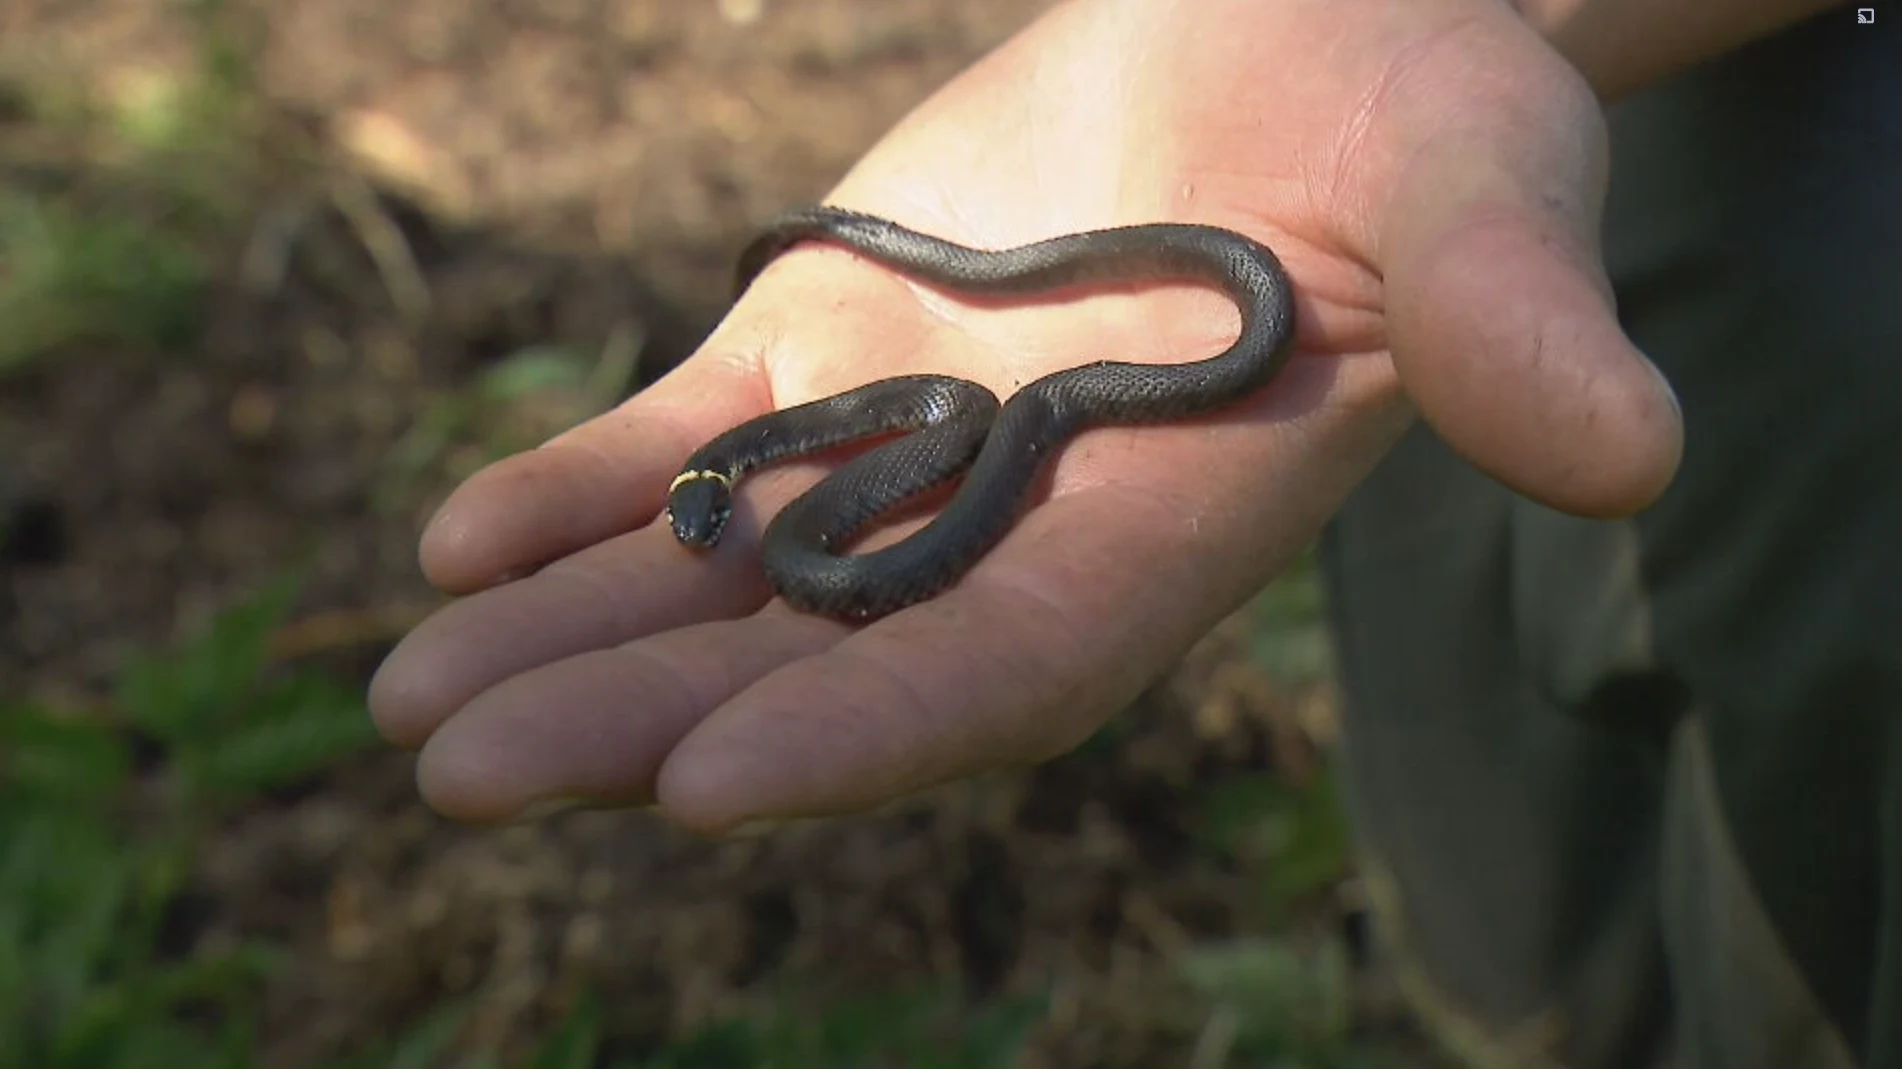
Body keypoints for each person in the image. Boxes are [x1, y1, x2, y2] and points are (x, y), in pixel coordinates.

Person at [369, 1, 1898, 1064]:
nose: (726, 526)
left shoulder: (915, 447)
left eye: (716, 509)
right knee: (1503, 803)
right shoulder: (833, 483)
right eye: (719, 515)